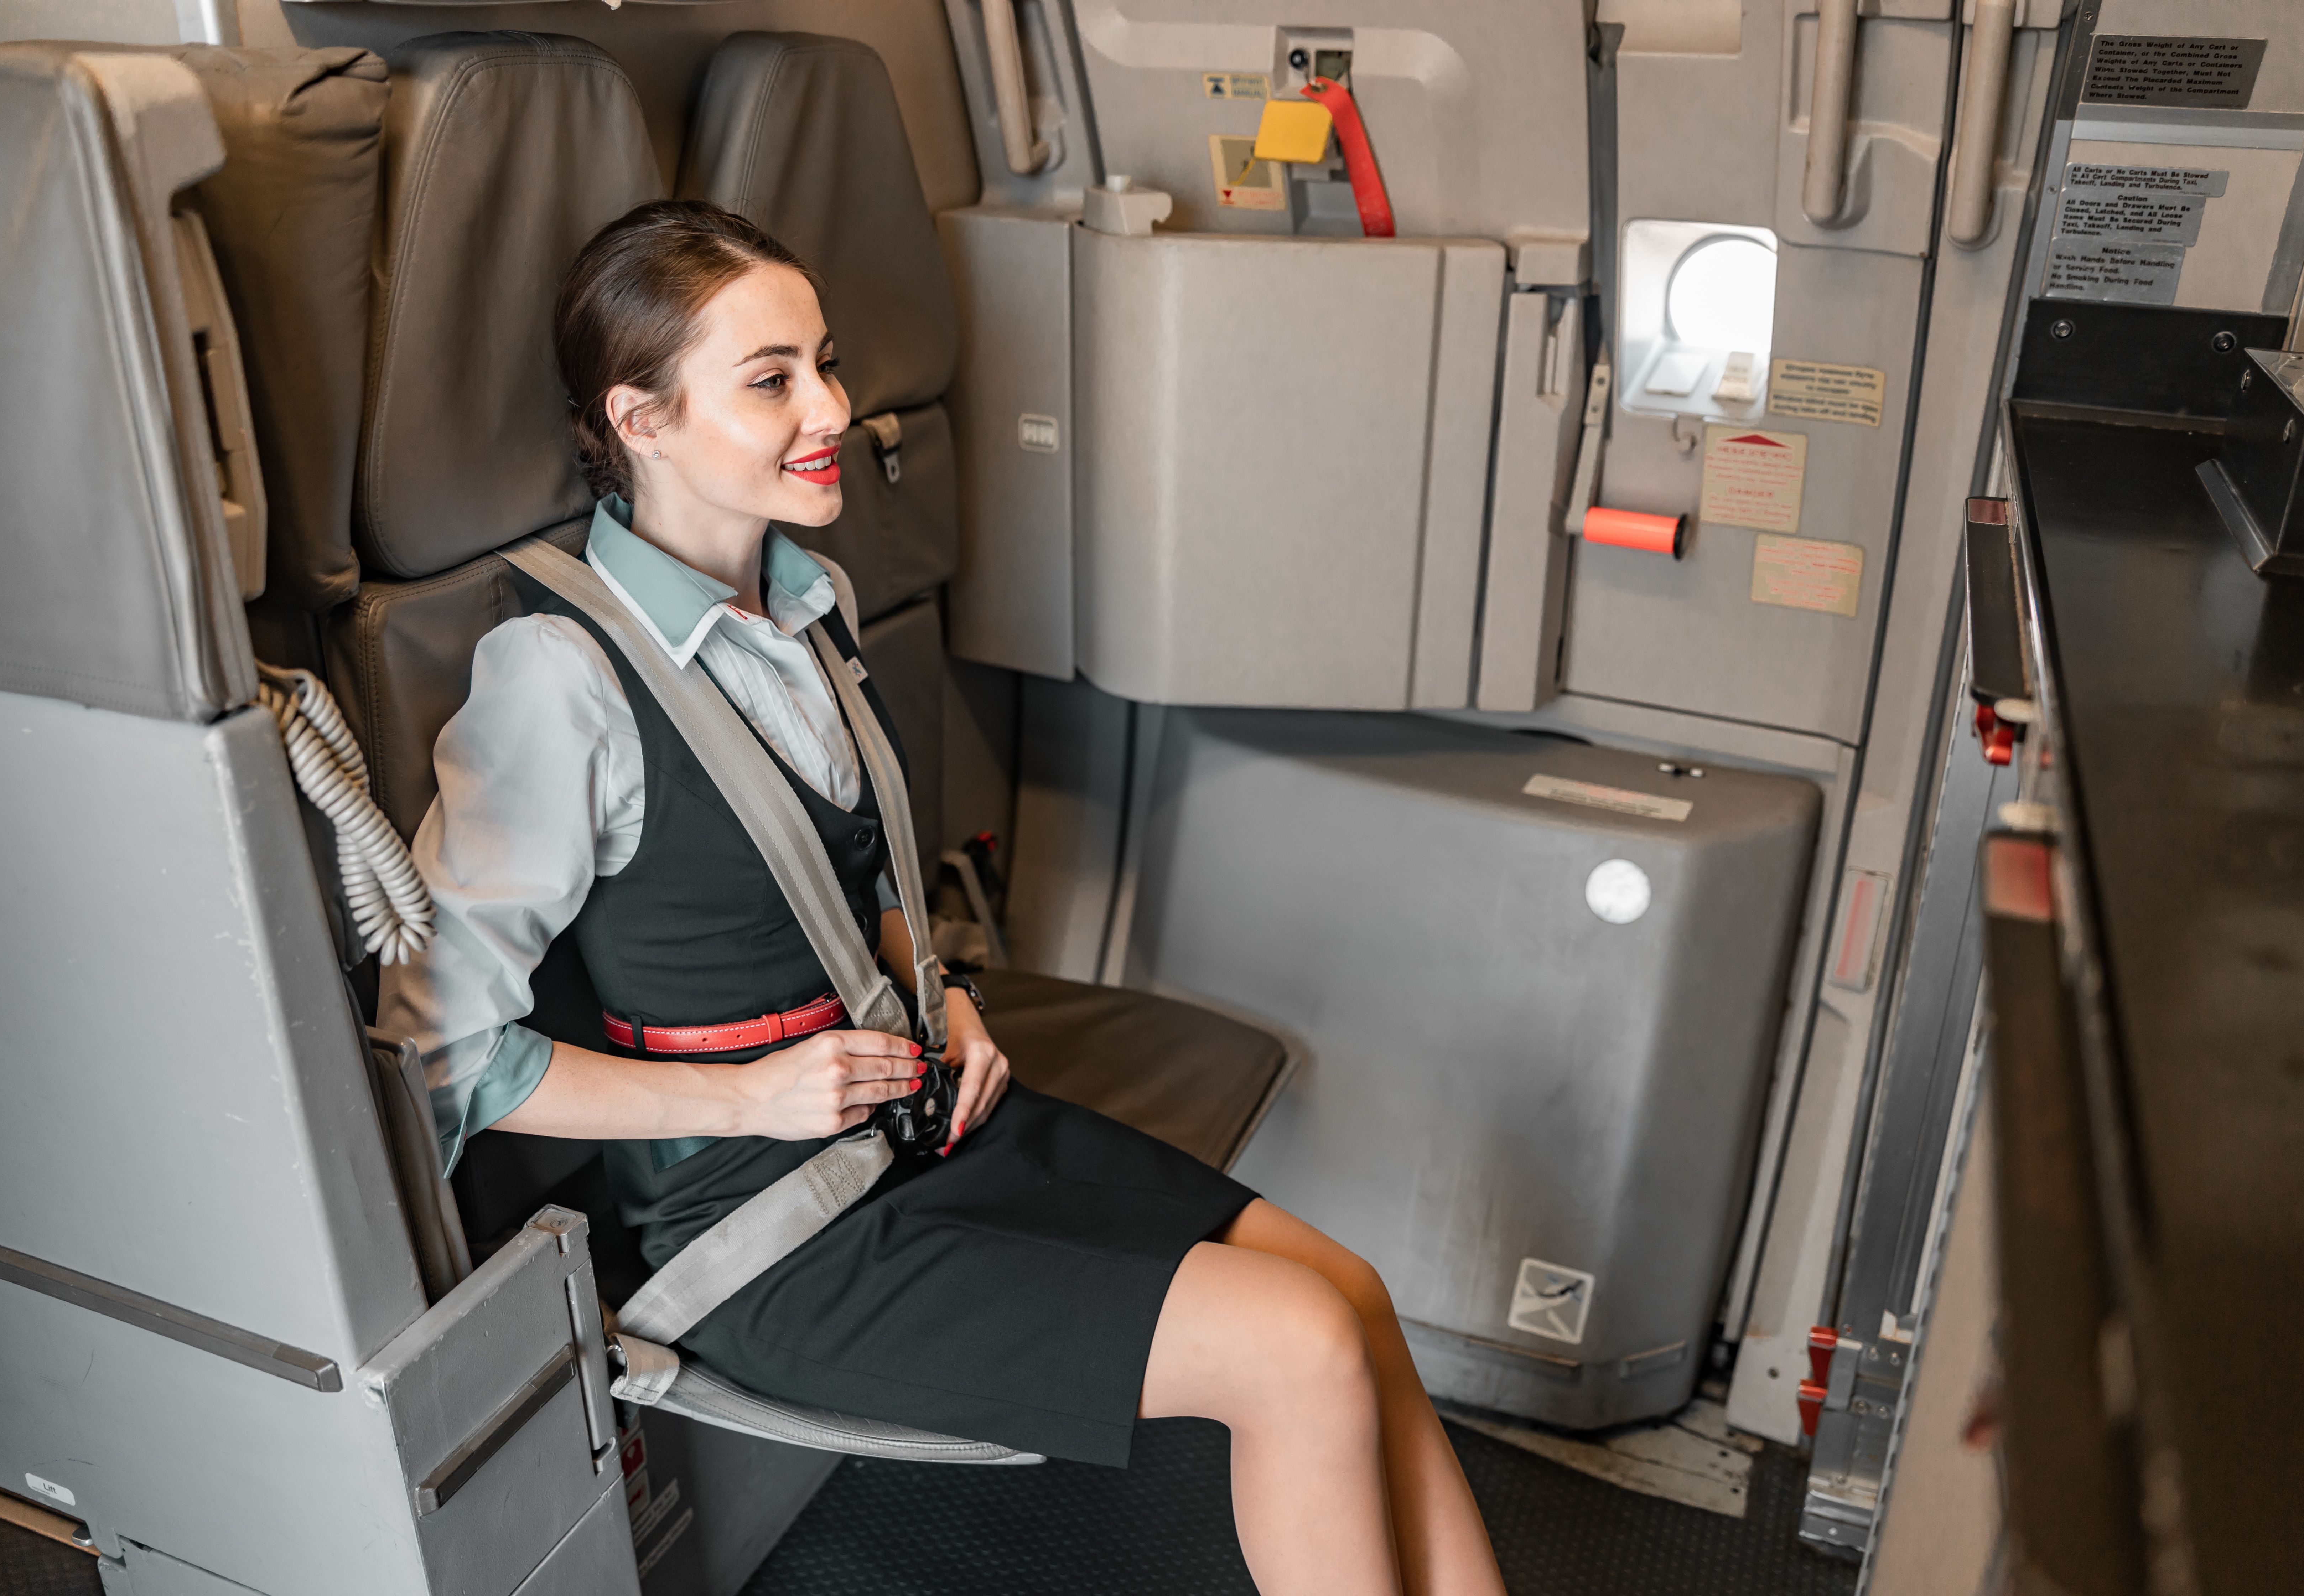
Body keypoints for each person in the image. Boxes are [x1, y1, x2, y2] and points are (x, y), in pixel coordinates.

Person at [380, 198, 1506, 1596]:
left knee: (1351, 1297)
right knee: (1299, 1349)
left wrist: (946, 994)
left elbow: (858, 881)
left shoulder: (811, 603)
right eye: (773, 378)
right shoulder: (557, 681)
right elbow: (445, 1055)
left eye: (828, 364)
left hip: (918, 1125)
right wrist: (749, 1099)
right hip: (765, 1227)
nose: (833, 409)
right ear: (644, 419)